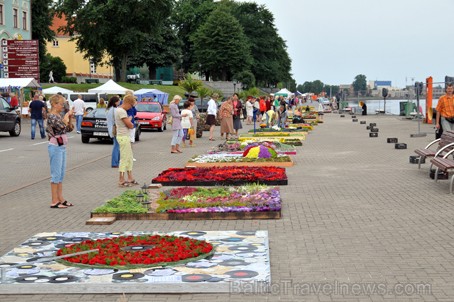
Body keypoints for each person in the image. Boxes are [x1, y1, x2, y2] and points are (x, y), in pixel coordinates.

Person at [46, 94, 74, 208]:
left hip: (62, 146)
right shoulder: (52, 116)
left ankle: (60, 198)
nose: (62, 106)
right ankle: (54, 201)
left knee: (61, 174)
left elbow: (69, 128)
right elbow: (62, 126)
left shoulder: (59, 115)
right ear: (54, 104)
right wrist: (67, 116)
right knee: (55, 174)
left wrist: (69, 117)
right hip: (55, 146)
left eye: (63, 104)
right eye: (61, 104)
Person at [115, 94, 138, 187]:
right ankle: (121, 179)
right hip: (123, 136)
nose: (131, 108)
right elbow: (130, 125)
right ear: (128, 103)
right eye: (131, 105)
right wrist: (130, 121)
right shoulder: (121, 111)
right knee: (124, 158)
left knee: (129, 157)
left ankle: (130, 177)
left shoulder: (121, 110)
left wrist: (129, 121)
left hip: (125, 135)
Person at [106, 96, 121, 168]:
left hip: (113, 129)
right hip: (115, 129)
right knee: (117, 146)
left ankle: (117, 162)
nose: (119, 102)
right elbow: (117, 119)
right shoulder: (114, 110)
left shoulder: (110, 109)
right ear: (115, 102)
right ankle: (115, 162)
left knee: (117, 145)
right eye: (118, 101)